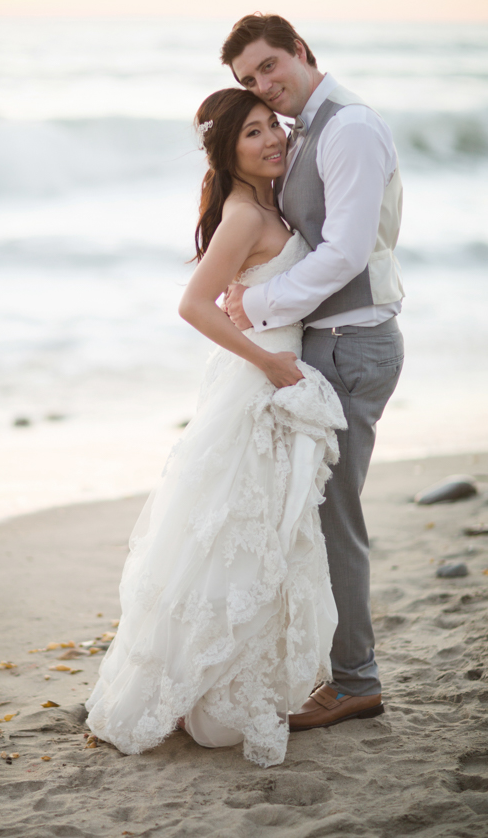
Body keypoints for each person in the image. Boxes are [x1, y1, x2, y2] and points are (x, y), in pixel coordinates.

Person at [85, 88, 348, 768]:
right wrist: (267, 361)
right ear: (227, 149)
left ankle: (237, 676)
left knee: (255, 537)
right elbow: (194, 305)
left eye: (274, 129)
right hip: (258, 387)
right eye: (254, 134)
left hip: (267, 383)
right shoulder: (241, 213)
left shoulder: (265, 203)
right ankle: (208, 686)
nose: (272, 142)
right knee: (235, 536)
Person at [222, 13, 405, 730]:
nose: (265, 85)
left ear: (300, 50)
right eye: (248, 81)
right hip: (328, 342)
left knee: (336, 521)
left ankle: (356, 680)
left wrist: (257, 302)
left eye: (271, 66)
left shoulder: (349, 128)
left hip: (351, 345)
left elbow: (345, 252)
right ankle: (337, 669)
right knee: (315, 517)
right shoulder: (307, 129)